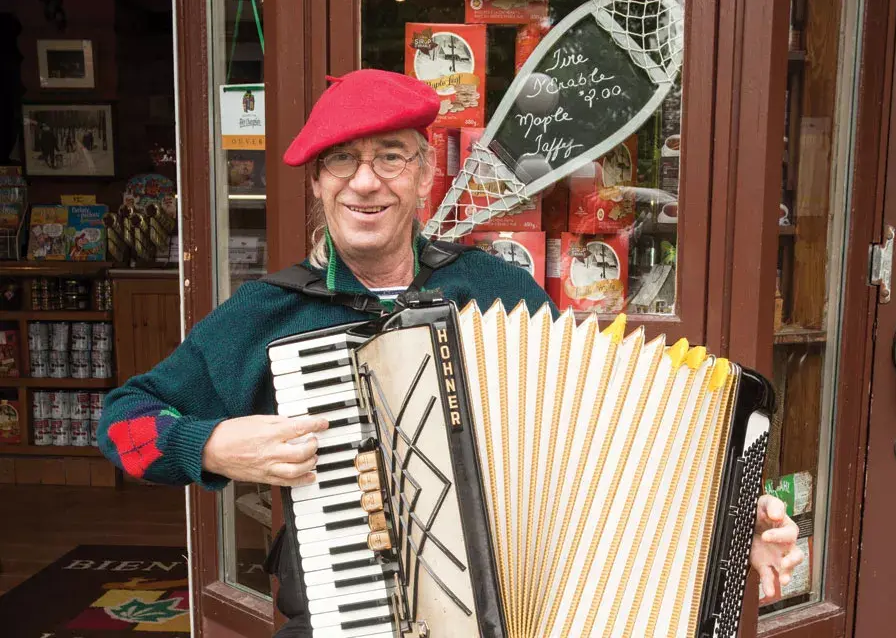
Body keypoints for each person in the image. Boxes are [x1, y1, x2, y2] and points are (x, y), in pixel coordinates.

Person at [97, 68, 802, 637]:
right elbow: (122, 425)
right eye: (341, 160)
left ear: (424, 172)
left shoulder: (497, 290)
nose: (365, 181)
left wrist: (729, 528)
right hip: (341, 619)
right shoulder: (269, 313)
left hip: (516, 612)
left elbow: (606, 447)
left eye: (389, 156)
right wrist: (210, 445)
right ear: (316, 181)